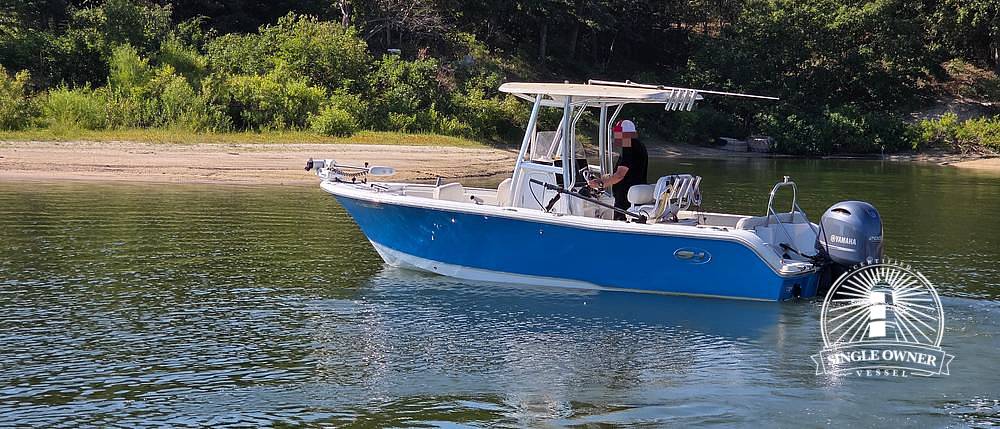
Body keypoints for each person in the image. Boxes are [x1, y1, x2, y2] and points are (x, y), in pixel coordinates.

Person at [588, 119, 648, 220]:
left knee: (619, 219)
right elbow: (630, 170)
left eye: (617, 133)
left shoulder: (629, 146)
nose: (615, 136)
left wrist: (600, 184)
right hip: (634, 198)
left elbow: (620, 175)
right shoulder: (640, 145)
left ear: (624, 133)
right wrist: (606, 178)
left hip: (625, 200)